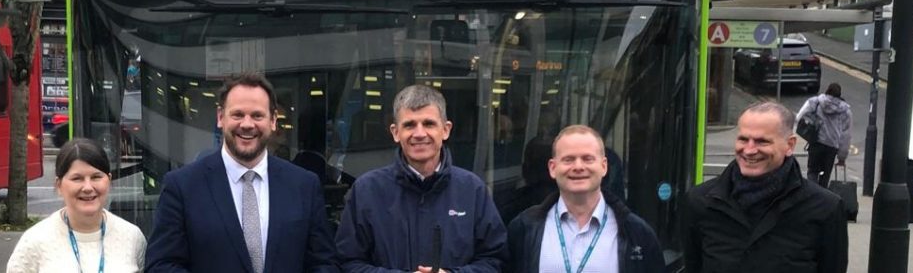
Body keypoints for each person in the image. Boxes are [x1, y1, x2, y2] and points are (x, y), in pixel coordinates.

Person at [145, 73, 336, 273]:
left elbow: (324, 264)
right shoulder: (182, 186)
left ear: (273, 121)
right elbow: (161, 265)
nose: (247, 124)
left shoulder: (303, 185)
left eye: (257, 115)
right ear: (220, 117)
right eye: (237, 114)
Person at [335, 84, 508, 273]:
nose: (419, 134)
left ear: (446, 129)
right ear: (395, 132)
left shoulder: (472, 190)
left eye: (428, 123)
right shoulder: (367, 191)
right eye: (409, 125)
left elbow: (495, 260)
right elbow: (347, 263)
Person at [682, 102, 847, 272]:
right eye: (743, 139)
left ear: (789, 145)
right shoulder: (700, 202)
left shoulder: (826, 208)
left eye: (762, 141)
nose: (749, 150)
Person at [506, 125, 665, 273]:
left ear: (604, 166)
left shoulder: (638, 234)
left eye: (588, 158)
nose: (578, 167)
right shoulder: (523, 229)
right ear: (553, 168)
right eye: (568, 159)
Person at [7, 138, 146, 272]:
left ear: (108, 181)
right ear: (59, 185)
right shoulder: (34, 241)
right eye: (77, 178)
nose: (87, 187)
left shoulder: (132, 237)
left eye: (96, 177)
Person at [796, 83, 852, 187]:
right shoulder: (845, 110)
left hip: (816, 142)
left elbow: (799, 117)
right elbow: (846, 135)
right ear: (839, 95)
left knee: (812, 171)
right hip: (832, 146)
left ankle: (812, 194)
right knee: (825, 175)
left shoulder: (815, 102)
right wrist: (842, 157)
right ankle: (822, 196)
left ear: (827, 91)